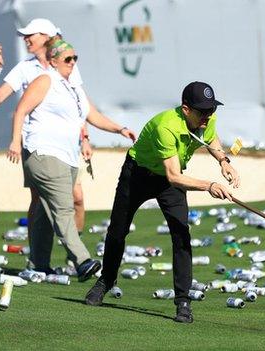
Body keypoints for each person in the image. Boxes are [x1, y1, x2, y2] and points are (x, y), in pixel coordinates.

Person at [84, 81, 240, 323]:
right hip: (138, 175)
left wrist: (224, 161)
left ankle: (183, 301)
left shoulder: (206, 120)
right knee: (117, 231)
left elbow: (211, 139)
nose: (208, 117)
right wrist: (209, 186)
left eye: (212, 111)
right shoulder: (166, 127)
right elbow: (175, 176)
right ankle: (106, 280)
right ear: (186, 109)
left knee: (181, 234)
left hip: (169, 183)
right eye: (203, 111)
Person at [6, 38, 137, 281]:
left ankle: (38, 264)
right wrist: (15, 141)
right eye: (68, 58)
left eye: (75, 58)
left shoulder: (74, 88)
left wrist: (120, 129)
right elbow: (21, 110)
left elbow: (93, 115)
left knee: (46, 211)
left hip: (67, 156)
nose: (73, 62)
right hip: (43, 152)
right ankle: (82, 260)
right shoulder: (45, 80)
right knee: (64, 207)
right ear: (53, 61)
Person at [0, 18, 91, 241]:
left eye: (31, 35)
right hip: (37, 145)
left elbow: (78, 104)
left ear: (46, 37)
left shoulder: (68, 62)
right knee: (39, 200)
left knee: (77, 198)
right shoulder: (24, 68)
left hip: (67, 144)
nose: (26, 39)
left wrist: (85, 137)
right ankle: (39, 256)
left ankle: (73, 249)